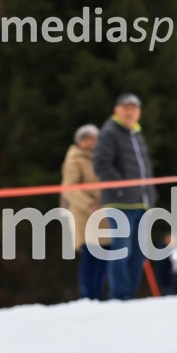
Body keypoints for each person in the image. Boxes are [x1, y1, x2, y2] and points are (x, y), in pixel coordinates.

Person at [93, 93, 157, 300]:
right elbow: (101, 163)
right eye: (126, 107)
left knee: (139, 252)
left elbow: (144, 170)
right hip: (119, 202)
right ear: (116, 110)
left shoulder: (137, 135)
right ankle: (119, 296)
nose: (130, 112)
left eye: (134, 108)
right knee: (122, 249)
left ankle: (130, 294)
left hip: (141, 202)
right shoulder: (110, 132)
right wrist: (121, 188)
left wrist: (150, 195)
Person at [61, 124, 107, 300]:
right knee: (91, 254)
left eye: (95, 139)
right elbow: (69, 188)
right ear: (80, 141)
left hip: (104, 213)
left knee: (104, 254)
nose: (92, 143)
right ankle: (88, 295)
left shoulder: (101, 158)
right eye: (88, 139)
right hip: (85, 215)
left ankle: (98, 295)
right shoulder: (74, 158)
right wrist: (89, 204)